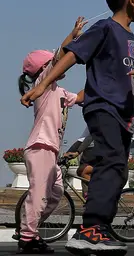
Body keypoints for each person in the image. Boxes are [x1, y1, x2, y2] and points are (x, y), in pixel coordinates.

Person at [21, 0, 134, 255]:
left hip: (124, 116)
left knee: (118, 171)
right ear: (131, 0)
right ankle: (90, 229)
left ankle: (97, 229)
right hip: (102, 106)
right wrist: (42, 86)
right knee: (112, 164)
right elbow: (72, 54)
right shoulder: (105, 29)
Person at [16, 17, 86, 254]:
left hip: (50, 150)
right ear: (45, 69)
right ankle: (27, 236)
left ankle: (29, 228)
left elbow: (79, 97)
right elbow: (61, 55)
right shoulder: (42, 85)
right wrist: (73, 35)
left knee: (55, 193)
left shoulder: (59, 92)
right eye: (52, 64)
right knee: (39, 193)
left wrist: (105, 79)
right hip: (40, 146)